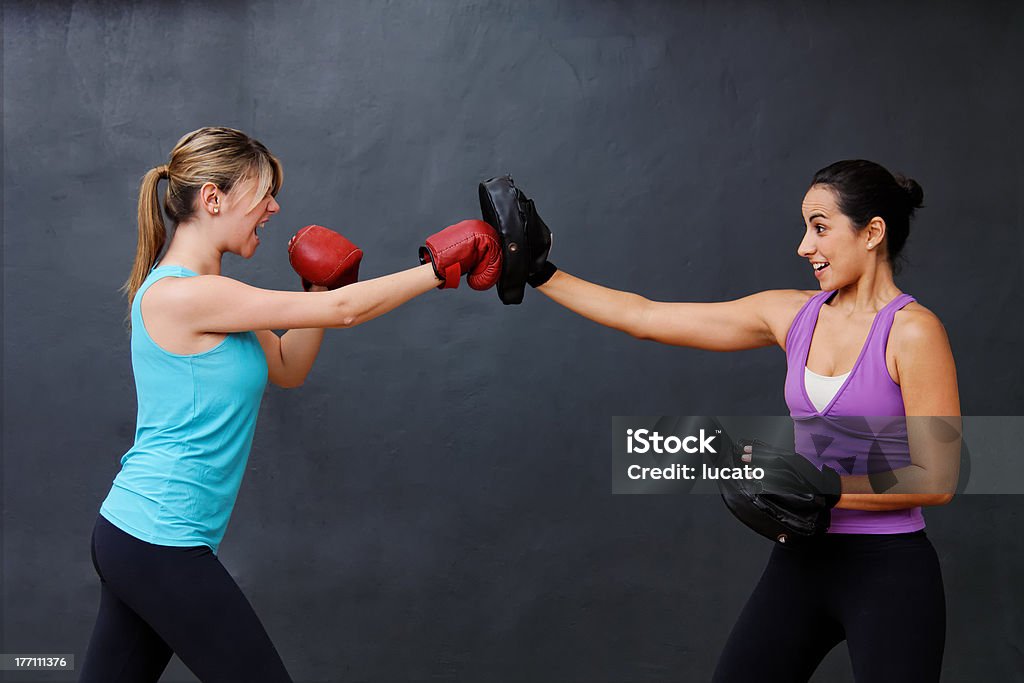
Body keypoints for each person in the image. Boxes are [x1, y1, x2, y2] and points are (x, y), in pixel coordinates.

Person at [79, 126, 501, 683]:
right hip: (158, 540)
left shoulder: (219, 298)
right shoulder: (183, 295)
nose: (274, 208)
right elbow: (349, 312)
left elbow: (289, 367)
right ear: (213, 198)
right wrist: (438, 268)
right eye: (263, 194)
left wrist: (318, 290)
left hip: (142, 538)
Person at [521, 160, 959, 682]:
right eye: (804, 228)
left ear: (873, 232)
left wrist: (826, 488)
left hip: (889, 568)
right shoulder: (793, 314)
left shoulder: (912, 332)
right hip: (802, 560)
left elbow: (937, 477)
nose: (803, 245)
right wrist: (542, 273)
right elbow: (646, 317)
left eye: (819, 227)